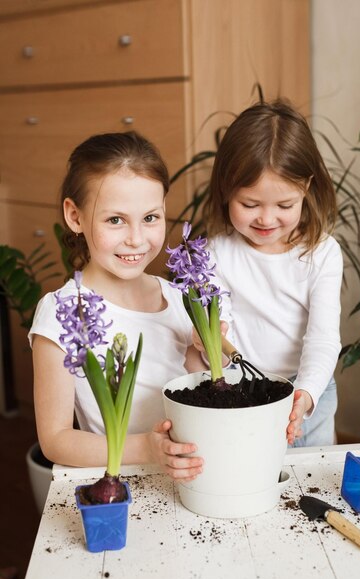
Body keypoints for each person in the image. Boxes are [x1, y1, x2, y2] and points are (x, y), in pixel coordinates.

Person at [29, 131, 204, 481]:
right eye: (115, 220)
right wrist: (147, 449)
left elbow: (192, 394)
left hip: (186, 477)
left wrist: (205, 348)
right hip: (117, 485)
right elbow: (55, 440)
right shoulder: (63, 313)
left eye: (150, 218)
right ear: (75, 216)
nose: (136, 238)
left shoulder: (176, 298)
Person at [203, 98, 343, 447]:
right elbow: (219, 335)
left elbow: (323, 339)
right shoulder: (215, 253)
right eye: (249, 205)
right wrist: (207, 340)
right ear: (225, 189)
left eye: (284, 205)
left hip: (309, 389)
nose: (266, 219)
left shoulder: (322, 253)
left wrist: (306, 395)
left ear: (306, 188)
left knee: (311, 478)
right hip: (242, 387)